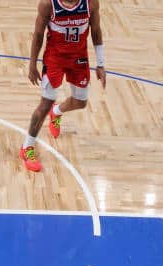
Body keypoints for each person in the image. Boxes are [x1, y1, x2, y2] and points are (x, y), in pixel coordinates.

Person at [19, 0, 106, 172]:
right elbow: (38, 34)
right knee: (45, 103)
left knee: (81, 102)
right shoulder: (48, 4)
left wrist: (101, 64)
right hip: (55, 59)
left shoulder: (91, 3)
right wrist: (32, 65)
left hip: (79, 58)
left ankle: (57, 111)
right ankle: (27, 147)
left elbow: (96, 31)